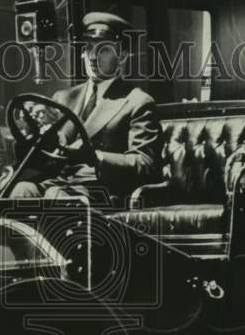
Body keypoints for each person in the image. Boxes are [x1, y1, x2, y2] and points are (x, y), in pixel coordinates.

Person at [9, 11, 163, 202]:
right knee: (21, 190)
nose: (92, 57)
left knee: (56, 196)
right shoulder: (64, 98)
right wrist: (33, 133)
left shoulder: (137, 102)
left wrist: (96, 157)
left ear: (122, 56)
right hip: (60, 184)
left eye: (103, 50)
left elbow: (145, 163)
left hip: (102, 189)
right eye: (88, 48)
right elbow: (49, 155)